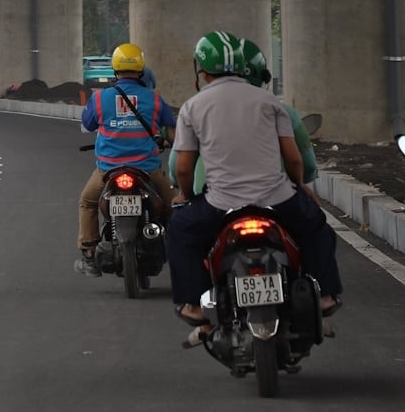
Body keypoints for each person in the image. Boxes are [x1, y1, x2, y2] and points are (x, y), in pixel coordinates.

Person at [165, 30, 343, 328]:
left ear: (203, 69)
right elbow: (294, 158)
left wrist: (186, 195)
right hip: (277, 199)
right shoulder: (269, 101)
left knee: (180, 231)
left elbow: (183, 168)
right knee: (317, 228)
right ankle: (325, 295)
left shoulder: (193, 106)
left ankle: (193, 303)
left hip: (221, 203)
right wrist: (299, 188)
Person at [76, 42, 178, 273]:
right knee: (175, 207)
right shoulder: (153, 98)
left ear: (115, 68)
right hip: (147, 168)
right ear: (141, 69)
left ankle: (89, 254)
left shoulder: (101, 98)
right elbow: (172, 133)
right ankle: (180, 250)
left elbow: (87, 124)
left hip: (108, 169)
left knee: (87, 202)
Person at [192, 40, 317, 196]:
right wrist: (300, 184)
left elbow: (178, 167)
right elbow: (306, 165)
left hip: (213, 199)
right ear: (261, 75)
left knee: (179, 220)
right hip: (273, 197)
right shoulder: (283, 111)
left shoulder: (197, 110)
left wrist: (184, 192)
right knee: (315, 217)